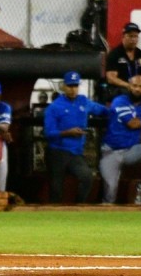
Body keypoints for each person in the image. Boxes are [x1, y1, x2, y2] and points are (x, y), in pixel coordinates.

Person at [99, 75, 141, 205]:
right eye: (134, 86)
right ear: (129, 86)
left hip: (130, 150)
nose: (137, 89)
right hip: (111, 151)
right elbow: (133, 124)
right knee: (110, 193)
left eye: (140, 87)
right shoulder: (120, 101)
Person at [43, 71, 109, 204]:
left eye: (75, 86)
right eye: (70, 86)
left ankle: (78, 206)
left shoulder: (83, 101)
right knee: (56, 188)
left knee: (87, 177)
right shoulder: (54, 107)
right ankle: (54, 214)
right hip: (57, 151)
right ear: (64, 86)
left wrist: (118, 112)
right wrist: (68, 132)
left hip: (75, 153)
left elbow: (102, 110)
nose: (73, 89)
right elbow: (48, 133)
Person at [105, 22, 141, 101]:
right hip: (121, 87)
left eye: (135, 36)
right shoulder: (115, 54)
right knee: (125, 93)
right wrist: (129, 85)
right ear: (123, 37)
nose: (133, 39)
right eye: (130, 36)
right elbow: (111, 78)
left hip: (139, 87)